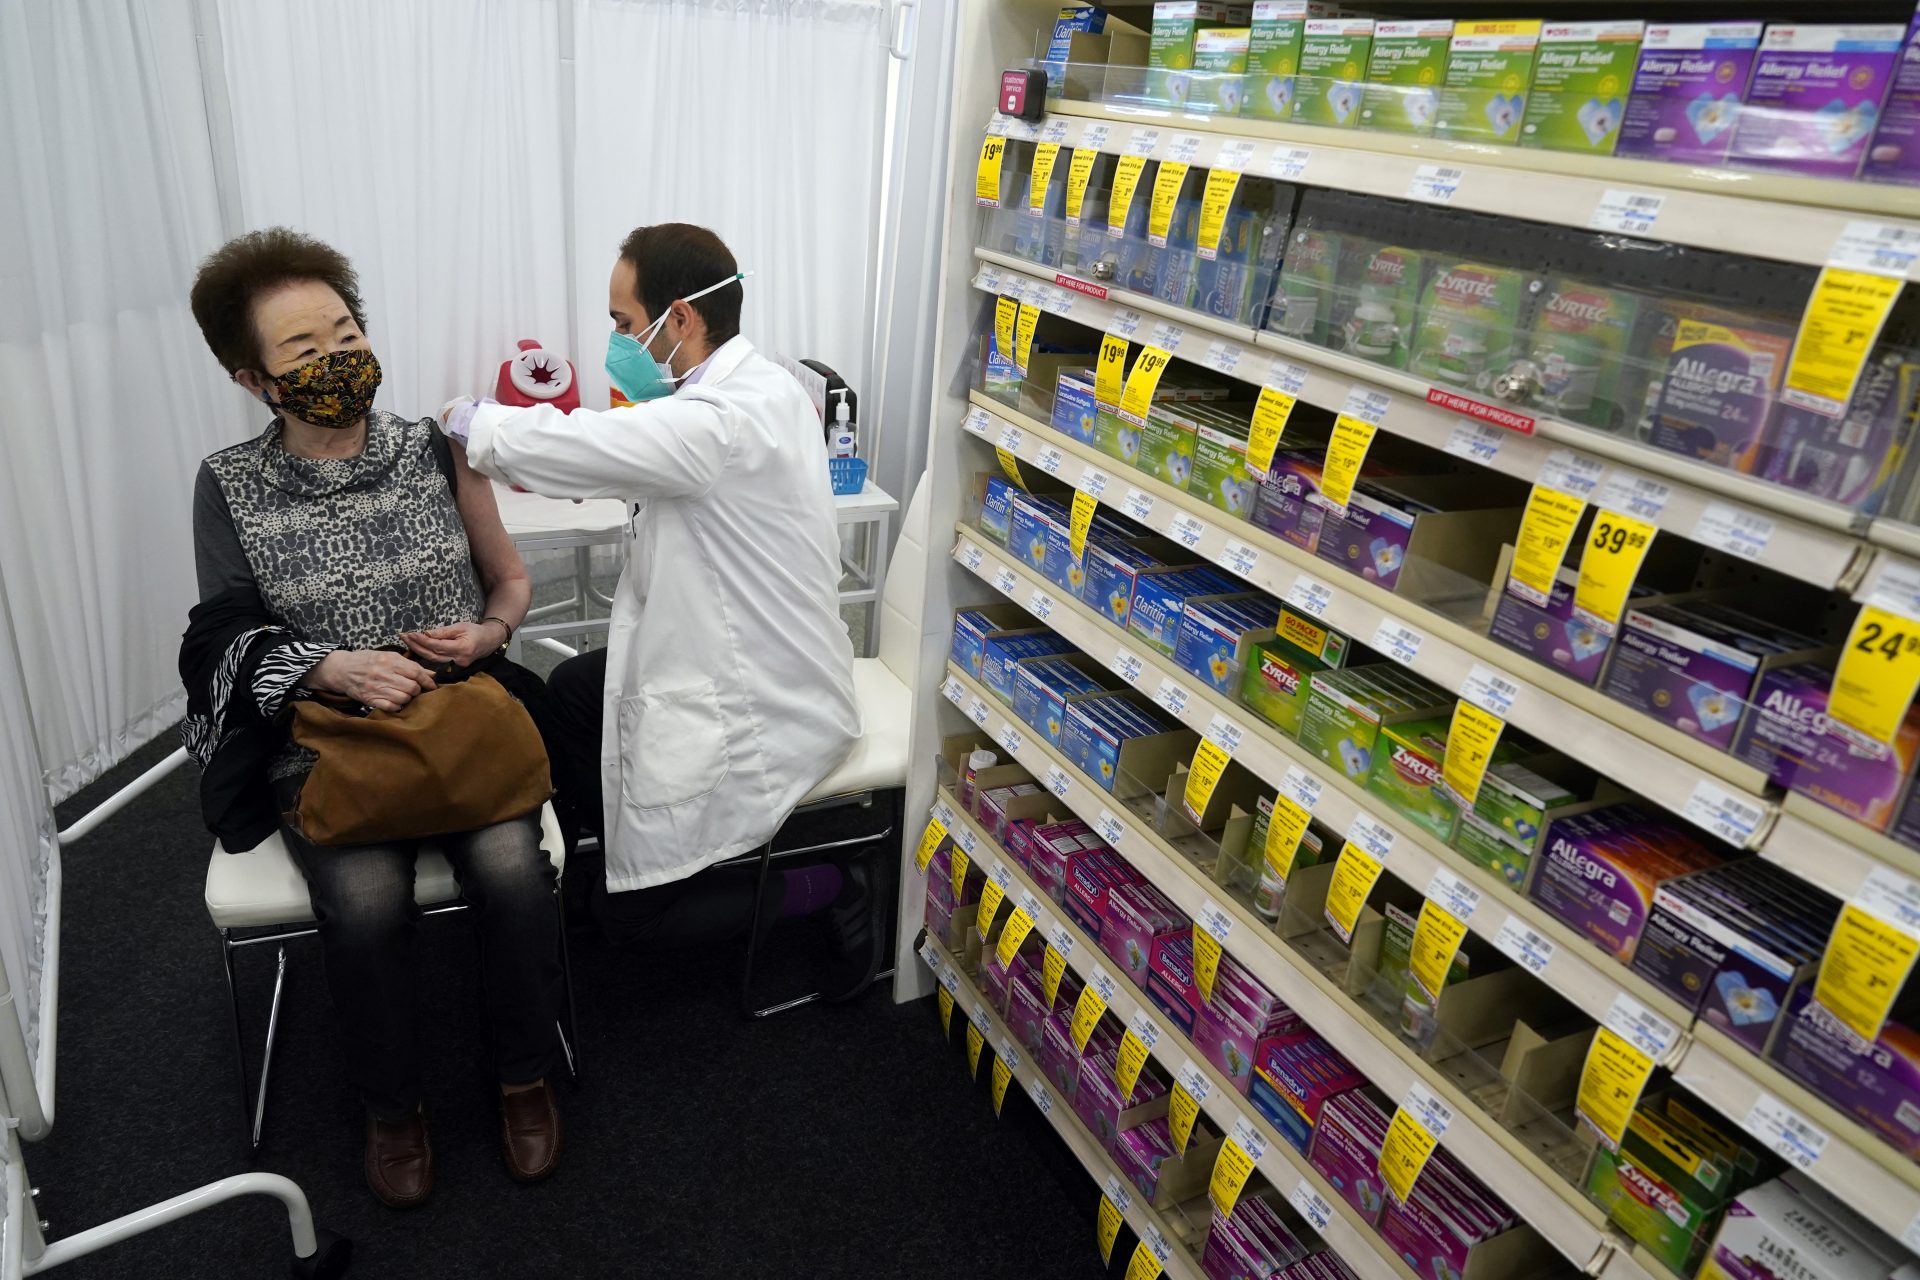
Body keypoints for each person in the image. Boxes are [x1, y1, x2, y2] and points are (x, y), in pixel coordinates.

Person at [180, 228, 565, 1209]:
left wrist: (489, 633)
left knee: (514, 871)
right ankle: (394, 1106)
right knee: (362, 901)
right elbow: (221, 635)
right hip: (329, 740)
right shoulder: (228, 483)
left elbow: (510, 579)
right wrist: (328, 665)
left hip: (461, 721)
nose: (338, 358)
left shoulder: (434, 449)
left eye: (346, 331)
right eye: (304, 352)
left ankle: (524, 1075)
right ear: (254, 379)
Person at [441, 223, 874, 993]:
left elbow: (584, 446)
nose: (616, 342)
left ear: (680, 318)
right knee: (571, 694)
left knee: (637, 922)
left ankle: (832, 884)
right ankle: (607, 852)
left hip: (761, 694)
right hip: (735, 645)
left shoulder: (722, 419)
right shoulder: (752, 388)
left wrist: (470, 421)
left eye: (623, 324)